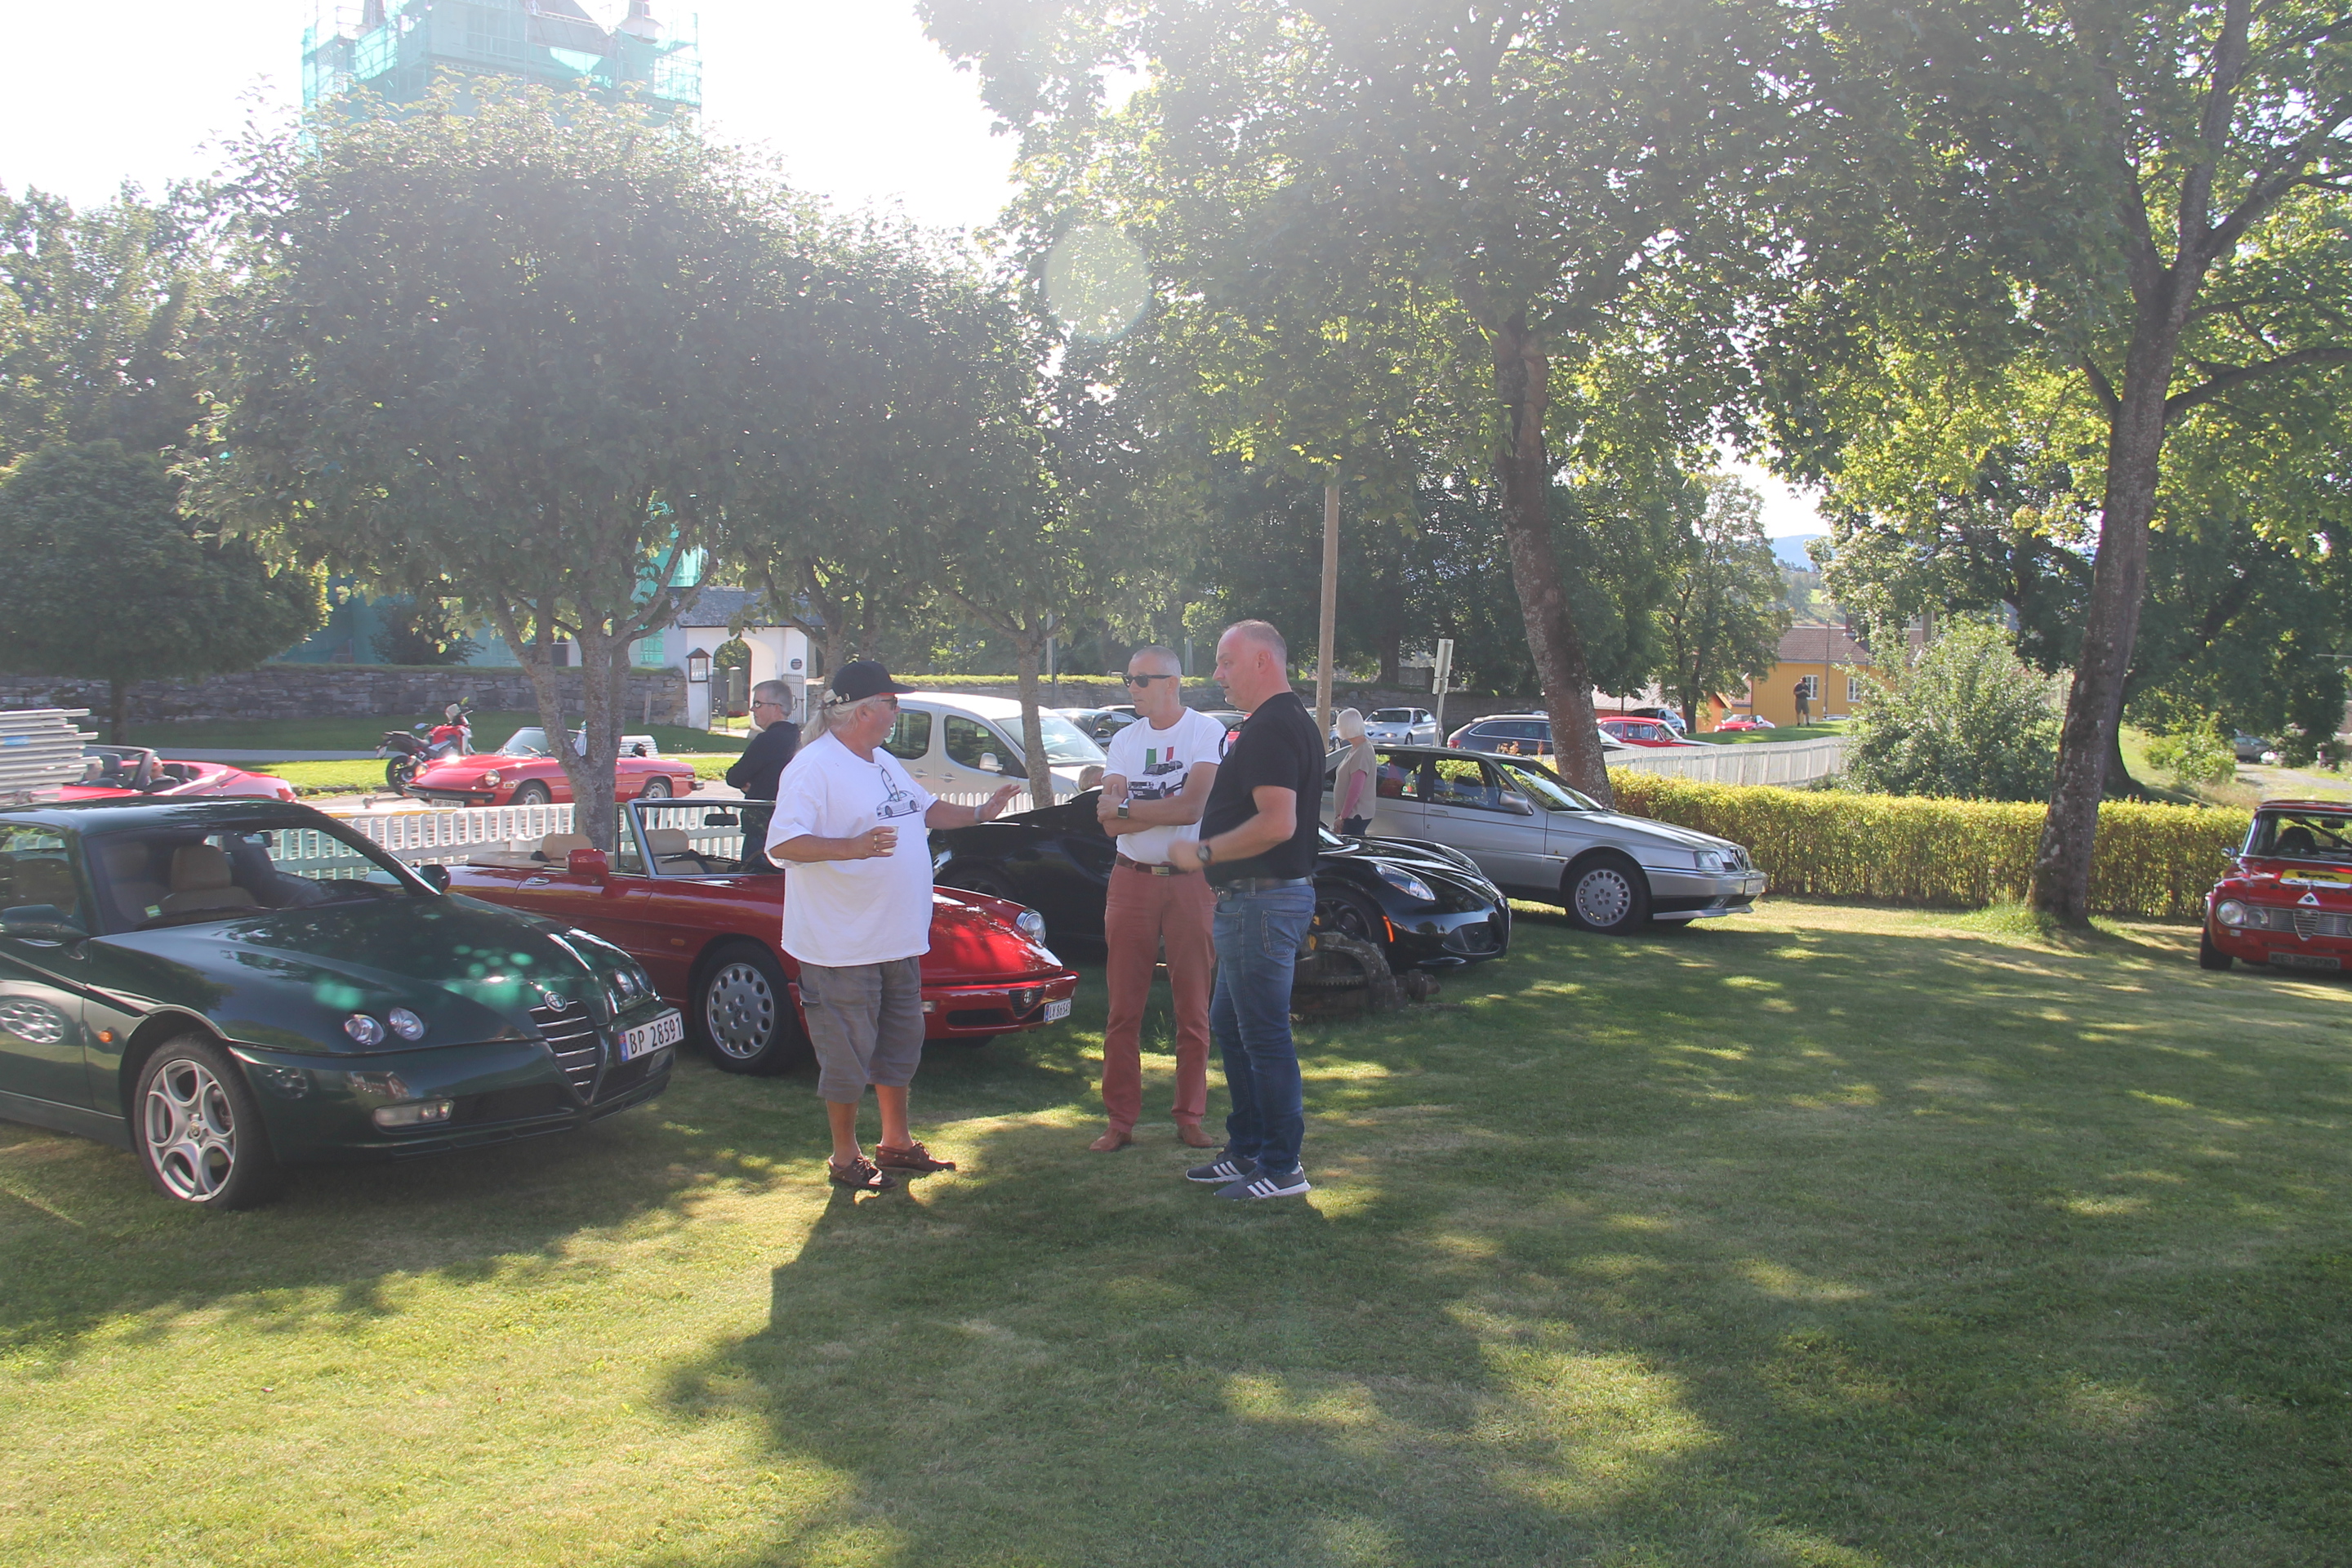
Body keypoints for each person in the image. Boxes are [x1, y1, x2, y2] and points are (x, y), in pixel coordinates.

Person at [764, 660, 1022, 1191]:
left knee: (900, 1045)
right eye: (891, 702)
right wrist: (851, 847)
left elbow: (923, 810)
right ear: (863, 711)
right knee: (846, 1056)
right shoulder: (814, 767)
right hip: (842, 946)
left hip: (897, 939)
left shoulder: (881, 760)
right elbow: (782, 843)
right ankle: (844, 1157)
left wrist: (979, 814)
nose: (897, 711)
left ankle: (896, 1144)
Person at [1173, 621, 1324, 1201]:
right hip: (1256, 901)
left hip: (1261, 901)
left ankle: (1282, 1167)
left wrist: (1203, 853)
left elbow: (1277, 823)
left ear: (1263, 661)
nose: (1217, 674)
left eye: (1226, 661)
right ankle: (1249, 1151)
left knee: (1262, 1036)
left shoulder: (1271, 727)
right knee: (1235, 1031)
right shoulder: (1282, 722)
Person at [1091, 644, 1227, 1153]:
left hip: (1191, 881)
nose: (1133, 689)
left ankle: (1190, 1116)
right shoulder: (1125, 739)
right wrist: (1141, 812)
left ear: (1172, 682)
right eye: (1128, 679)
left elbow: (1192, 806)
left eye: (1142, 680)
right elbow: (1107, 822)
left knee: (1193, 1008)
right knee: (1123, 1010)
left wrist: (1129, 809)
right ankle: (1119, 1121)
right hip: (1132, 881)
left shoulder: (1205, 732)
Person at [725, 679, 800, 800]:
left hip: (765, 811)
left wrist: (755, 786)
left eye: (758, 704)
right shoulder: (798, 736)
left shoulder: (769, 740)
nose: (752, 709)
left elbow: (735, 778)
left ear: (776, 708)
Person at [1331, 707, 1376, 837]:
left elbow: (1355, 789)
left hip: (1355, 816)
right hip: (1352, 815)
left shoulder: (1362, 752)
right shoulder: (1357, 748)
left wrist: (1342, 817)